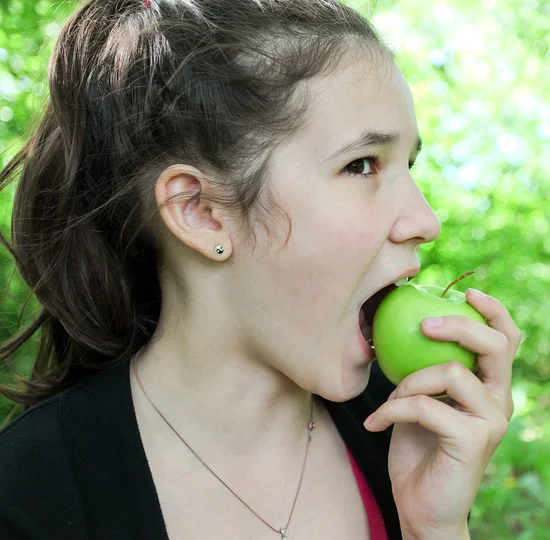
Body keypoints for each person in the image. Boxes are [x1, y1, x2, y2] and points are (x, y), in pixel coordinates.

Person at [0, 0, 521, 538]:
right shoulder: (26, 499)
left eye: (408, 165)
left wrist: (435, 529)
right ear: (201, 214)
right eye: (361, 165)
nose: (425, 221)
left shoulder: (402, 431)